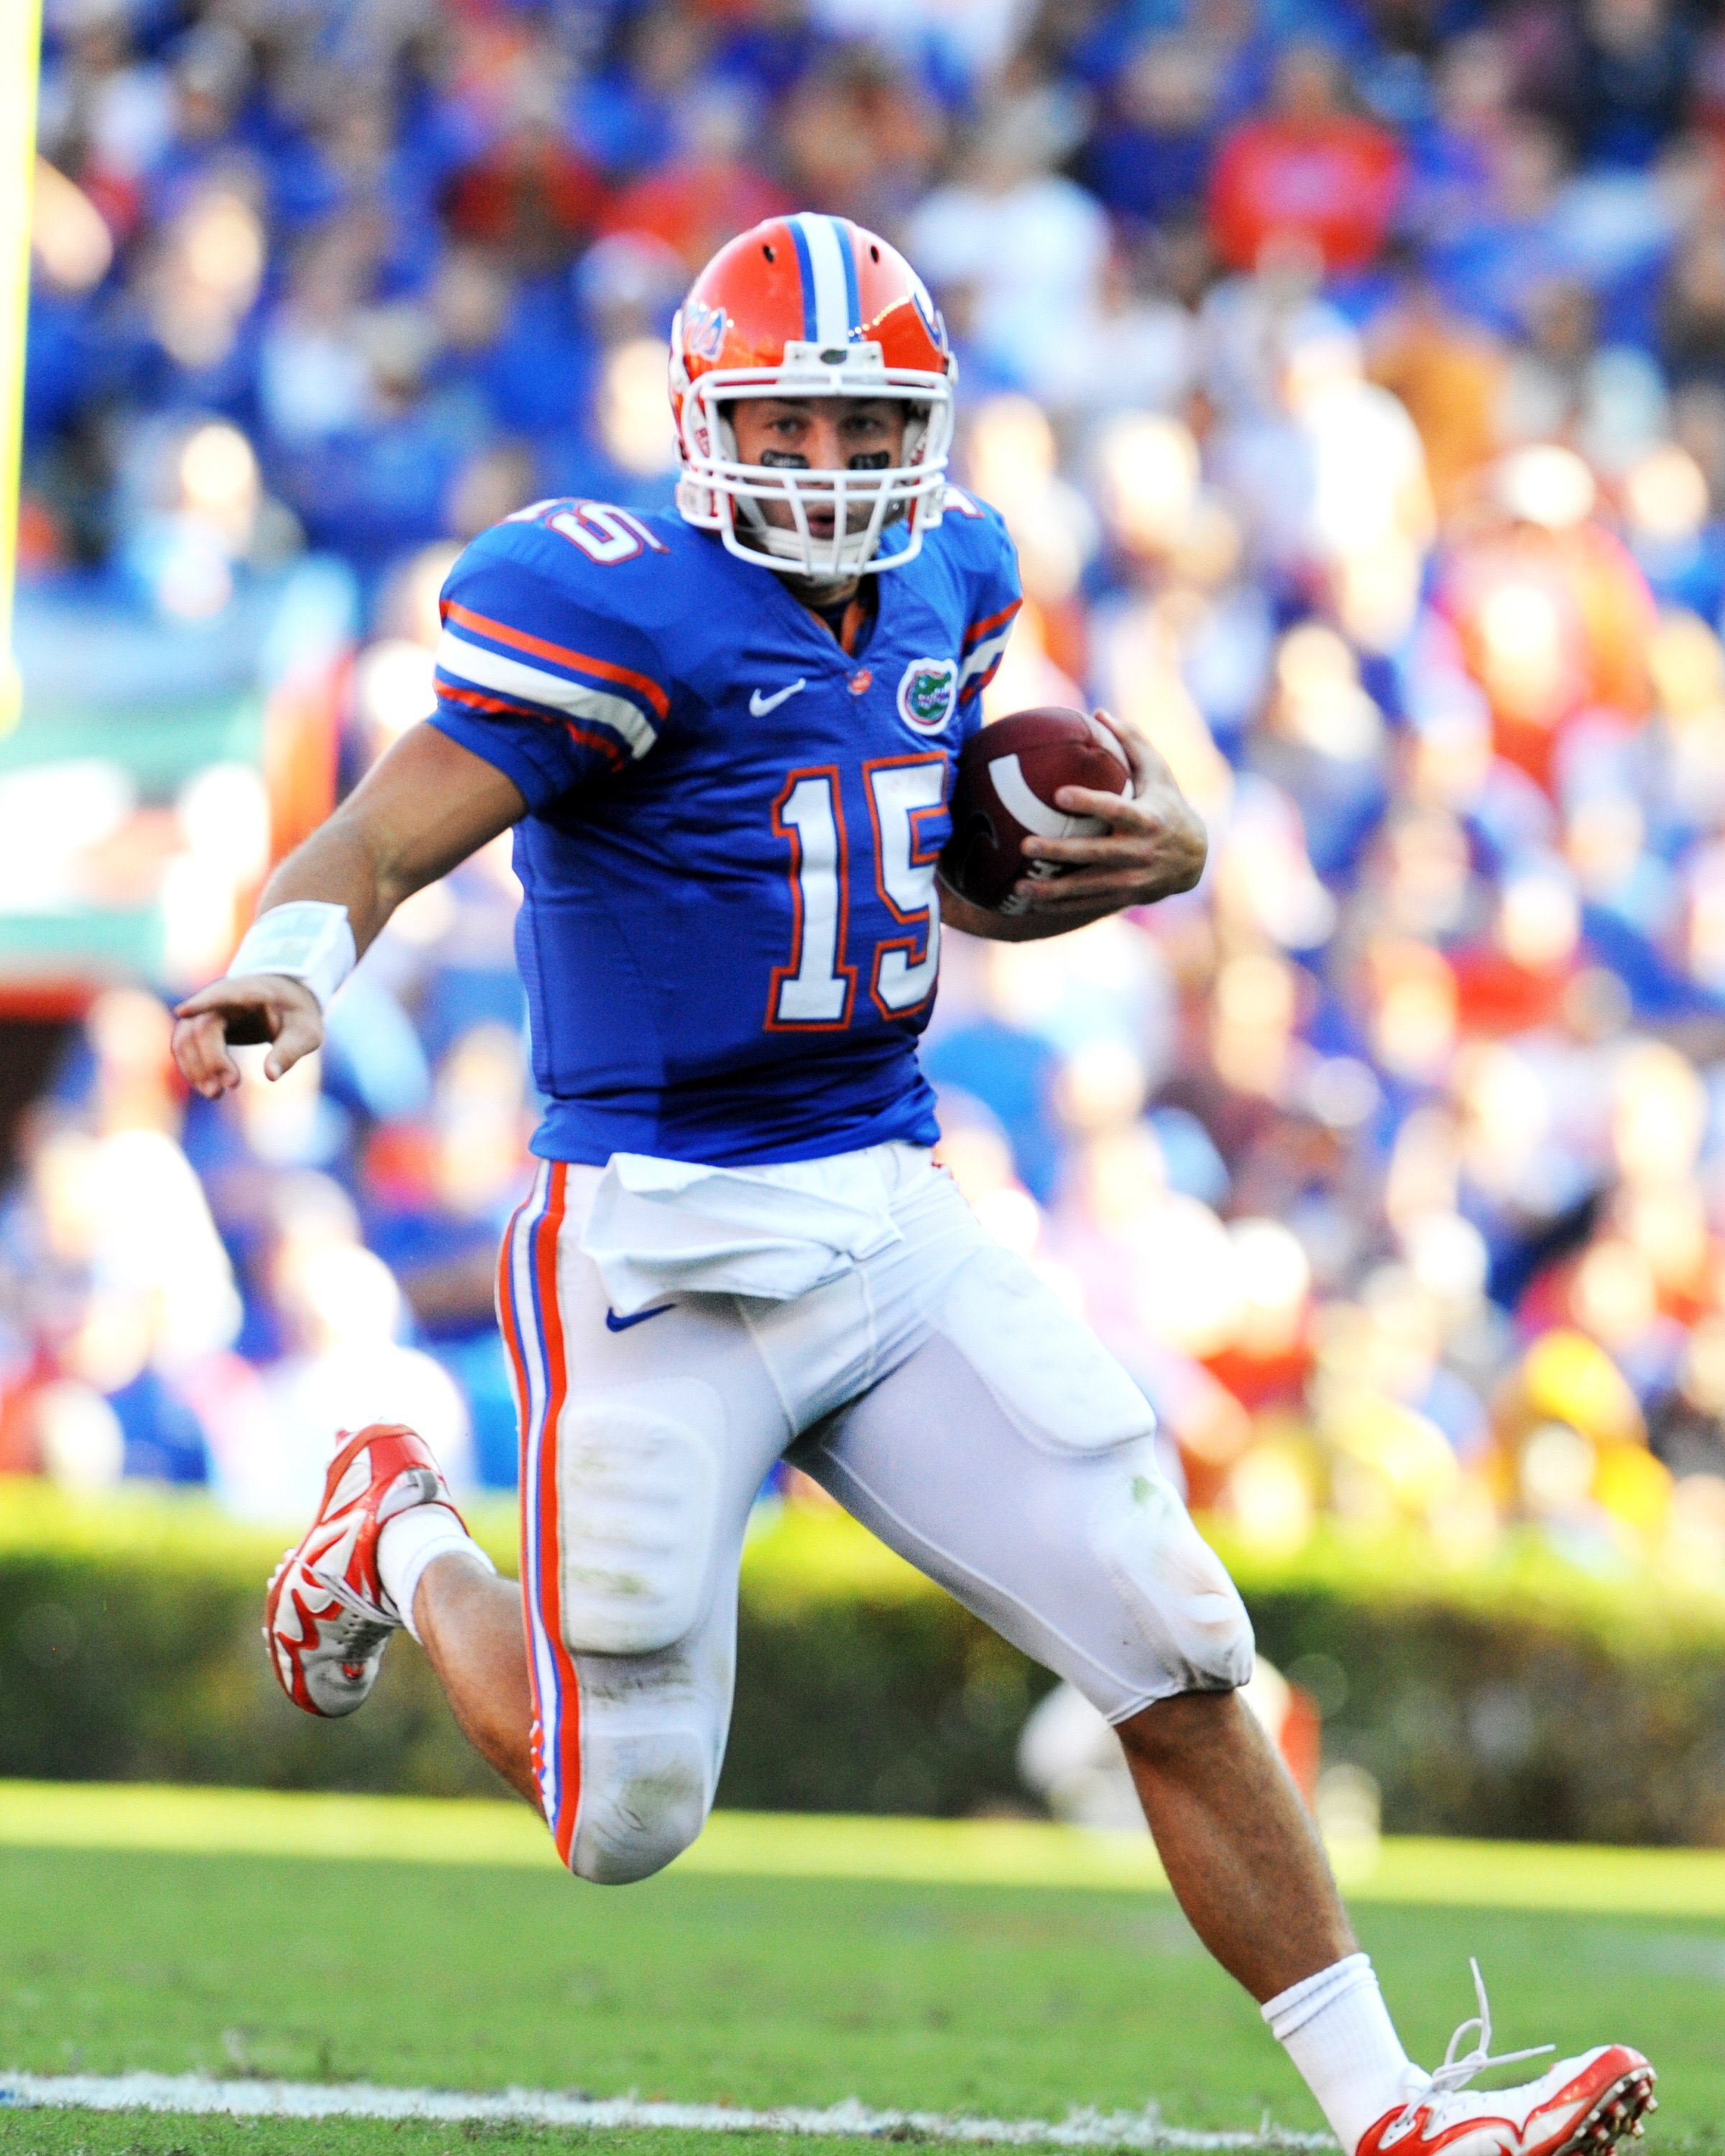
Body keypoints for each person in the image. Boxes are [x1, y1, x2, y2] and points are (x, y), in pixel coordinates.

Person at [170, 213, 1655, 2156]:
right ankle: (395, 1538)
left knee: (1175, 1636)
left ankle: (1393, 2112)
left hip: (883, 1208)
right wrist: (290, 964)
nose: (826, 470)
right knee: (623, 1817)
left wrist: (1169, 837)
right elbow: (376, 839)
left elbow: (925, 864)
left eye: (865, 428)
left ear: (927, 430)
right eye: (785, 429)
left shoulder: (957, 574)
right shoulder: (609, 601)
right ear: (708, 422)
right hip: (654, 1243)